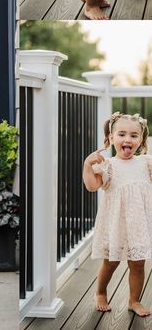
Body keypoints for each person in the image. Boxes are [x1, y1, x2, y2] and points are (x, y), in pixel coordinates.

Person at [83, 112, 152, 317]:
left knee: (138, 264)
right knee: (111, 261)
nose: (127, 139)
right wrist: (87, 165)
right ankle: (101, 292)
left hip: (139, 223)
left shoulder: (146, 163)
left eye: (133, 135)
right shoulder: (108, 166)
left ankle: (134, 300)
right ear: (111, 138)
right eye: (121, 134)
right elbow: (92, 186)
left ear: (140, 140)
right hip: (116, 224)